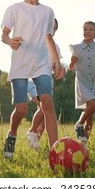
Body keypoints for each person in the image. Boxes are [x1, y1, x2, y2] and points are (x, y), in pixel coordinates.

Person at [1, 0, 63, 159]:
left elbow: (48, 38)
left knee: (47, 103)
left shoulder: (48, 12)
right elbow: (4, 34)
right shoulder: (15, 9)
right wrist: (10, 41)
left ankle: (55, 150)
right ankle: (12, 135)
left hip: (41, 64)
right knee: (21, 109)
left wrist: (56, 63)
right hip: (20, 63)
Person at [25, 18, 65, 150]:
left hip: (47, 83)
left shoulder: (56, 47)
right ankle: (32, 131)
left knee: (44, 112)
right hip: (32, 81)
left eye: (53, 28)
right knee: (45, 107)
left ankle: (35, 141)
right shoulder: (34, 43)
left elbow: (55, 65)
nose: (50, 30)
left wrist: (59, 70)